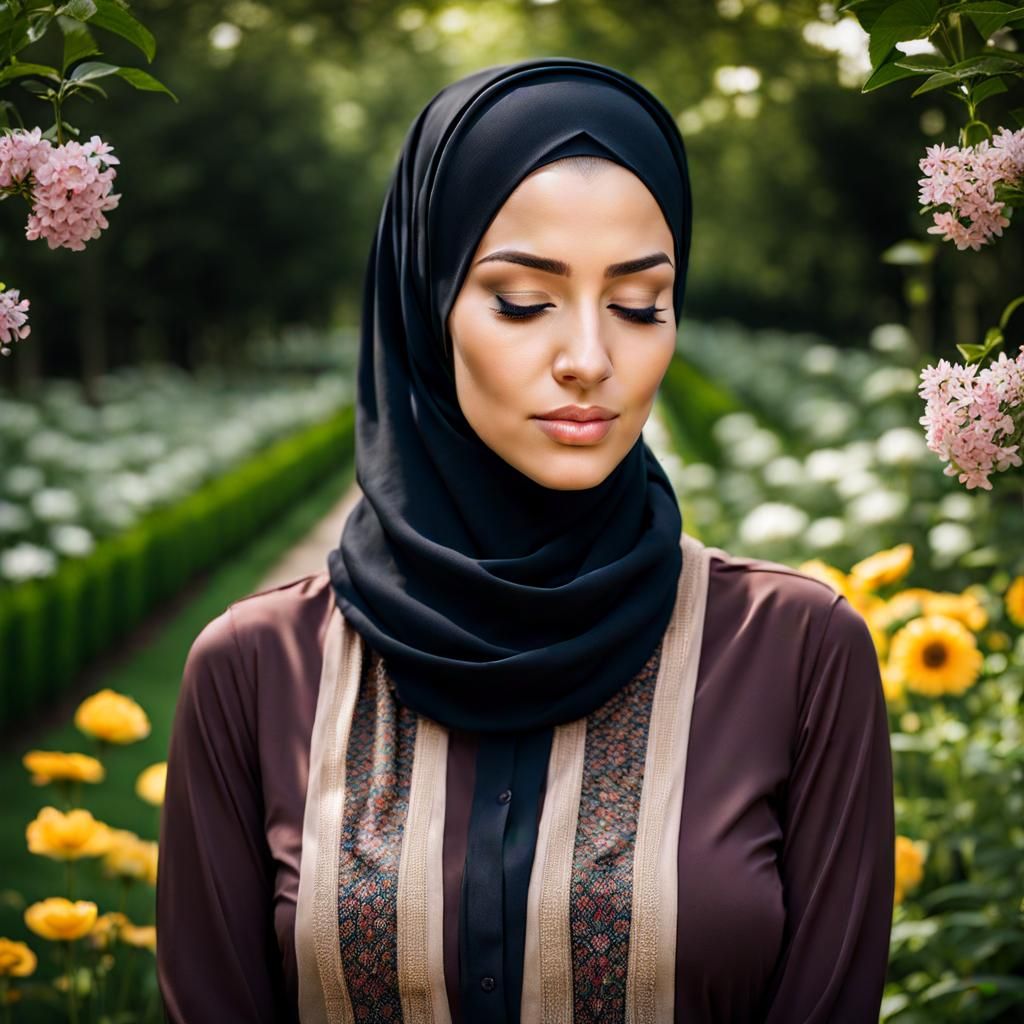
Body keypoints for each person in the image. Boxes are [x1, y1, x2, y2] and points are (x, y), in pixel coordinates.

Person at [155, 56, 895, 1023]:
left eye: (639, 305)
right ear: (427, 308)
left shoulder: (797, 653)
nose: (591, 359)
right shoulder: (257, 671)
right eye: (521, 300)